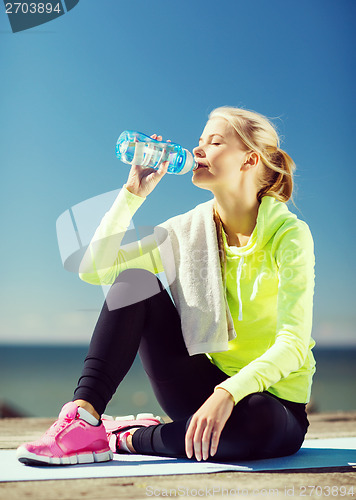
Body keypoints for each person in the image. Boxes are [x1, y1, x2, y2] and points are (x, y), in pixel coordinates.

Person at [17, 106, 316, 466]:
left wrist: (228, 393)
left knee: (258, 422)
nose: (199, 150)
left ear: (249, 160)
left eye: (215, 142)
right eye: (200, 142)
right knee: (135, 281)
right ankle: (84, 420)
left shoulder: (288, 234)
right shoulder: (185, 231)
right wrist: (133, 193)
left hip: (270, 402)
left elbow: (293, 344)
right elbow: (94, 269)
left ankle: (126, 437)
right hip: (198, 387)